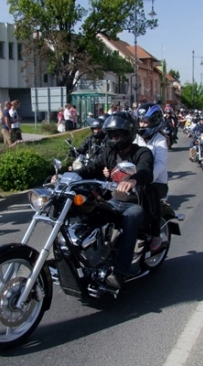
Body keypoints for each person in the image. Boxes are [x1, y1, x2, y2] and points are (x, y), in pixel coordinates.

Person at [75, 111, 154, 289]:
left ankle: (120, 272)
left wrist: (134, 180)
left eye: (118, 134)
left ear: (129, 133)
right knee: (91, 213)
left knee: (129, 220)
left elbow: (146, 170)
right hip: (113, 200)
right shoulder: (109, 153)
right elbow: (92, 168)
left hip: (135, 203)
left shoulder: (142, 152)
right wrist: (69, 175)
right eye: (111, 134)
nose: (114, 137)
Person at [134, 103, 168, 251]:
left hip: (156, 182)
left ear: (154, 121)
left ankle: (155, 235)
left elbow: (160, 164)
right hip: (135, 179)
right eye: (140, 121)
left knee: (150, 194)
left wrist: (146, 178)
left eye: (145, 121)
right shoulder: (135, 138)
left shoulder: (160, 140)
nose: (142, 124)